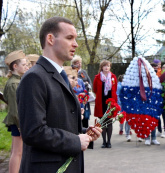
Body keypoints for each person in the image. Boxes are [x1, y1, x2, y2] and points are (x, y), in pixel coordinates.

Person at [17, 17, 101, 173]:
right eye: (69, 38)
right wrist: (75, 141)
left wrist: (84, 133)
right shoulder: (34, 77)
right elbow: (33, 132)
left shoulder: (59, 75)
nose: (75, 44)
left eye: (75, 39)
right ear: (50, 39)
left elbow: (55, 121)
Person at [2, 50, 27, 173]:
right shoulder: (13, 84)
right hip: (17, 123)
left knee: (17, 152)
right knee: (17, 153)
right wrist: (20, 126)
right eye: (23, 64)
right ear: (15, 66)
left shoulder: (17, 81)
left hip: (18, 123)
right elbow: (15, 108)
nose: (26, 66)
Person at [93, 60, 117, 148]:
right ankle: (104, 142)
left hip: (110, 102)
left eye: (108, 66)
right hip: (101, 102)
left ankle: (109, 141)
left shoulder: (113, 77)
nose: (106, 67)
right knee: (102, 122)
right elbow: (95, 89)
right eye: (105, 66)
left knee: (110, 122)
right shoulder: (97, 77)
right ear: (101, 67)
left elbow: (115, 89)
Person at [72, 61, 91, 129]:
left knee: (85, 118)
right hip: (74, 101)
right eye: (77, 63)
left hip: (83, 101)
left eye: (80, 63)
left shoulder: (82, 75)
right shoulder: (70, 78)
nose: (79, 65)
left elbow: (88, 85)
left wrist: (85, 93)